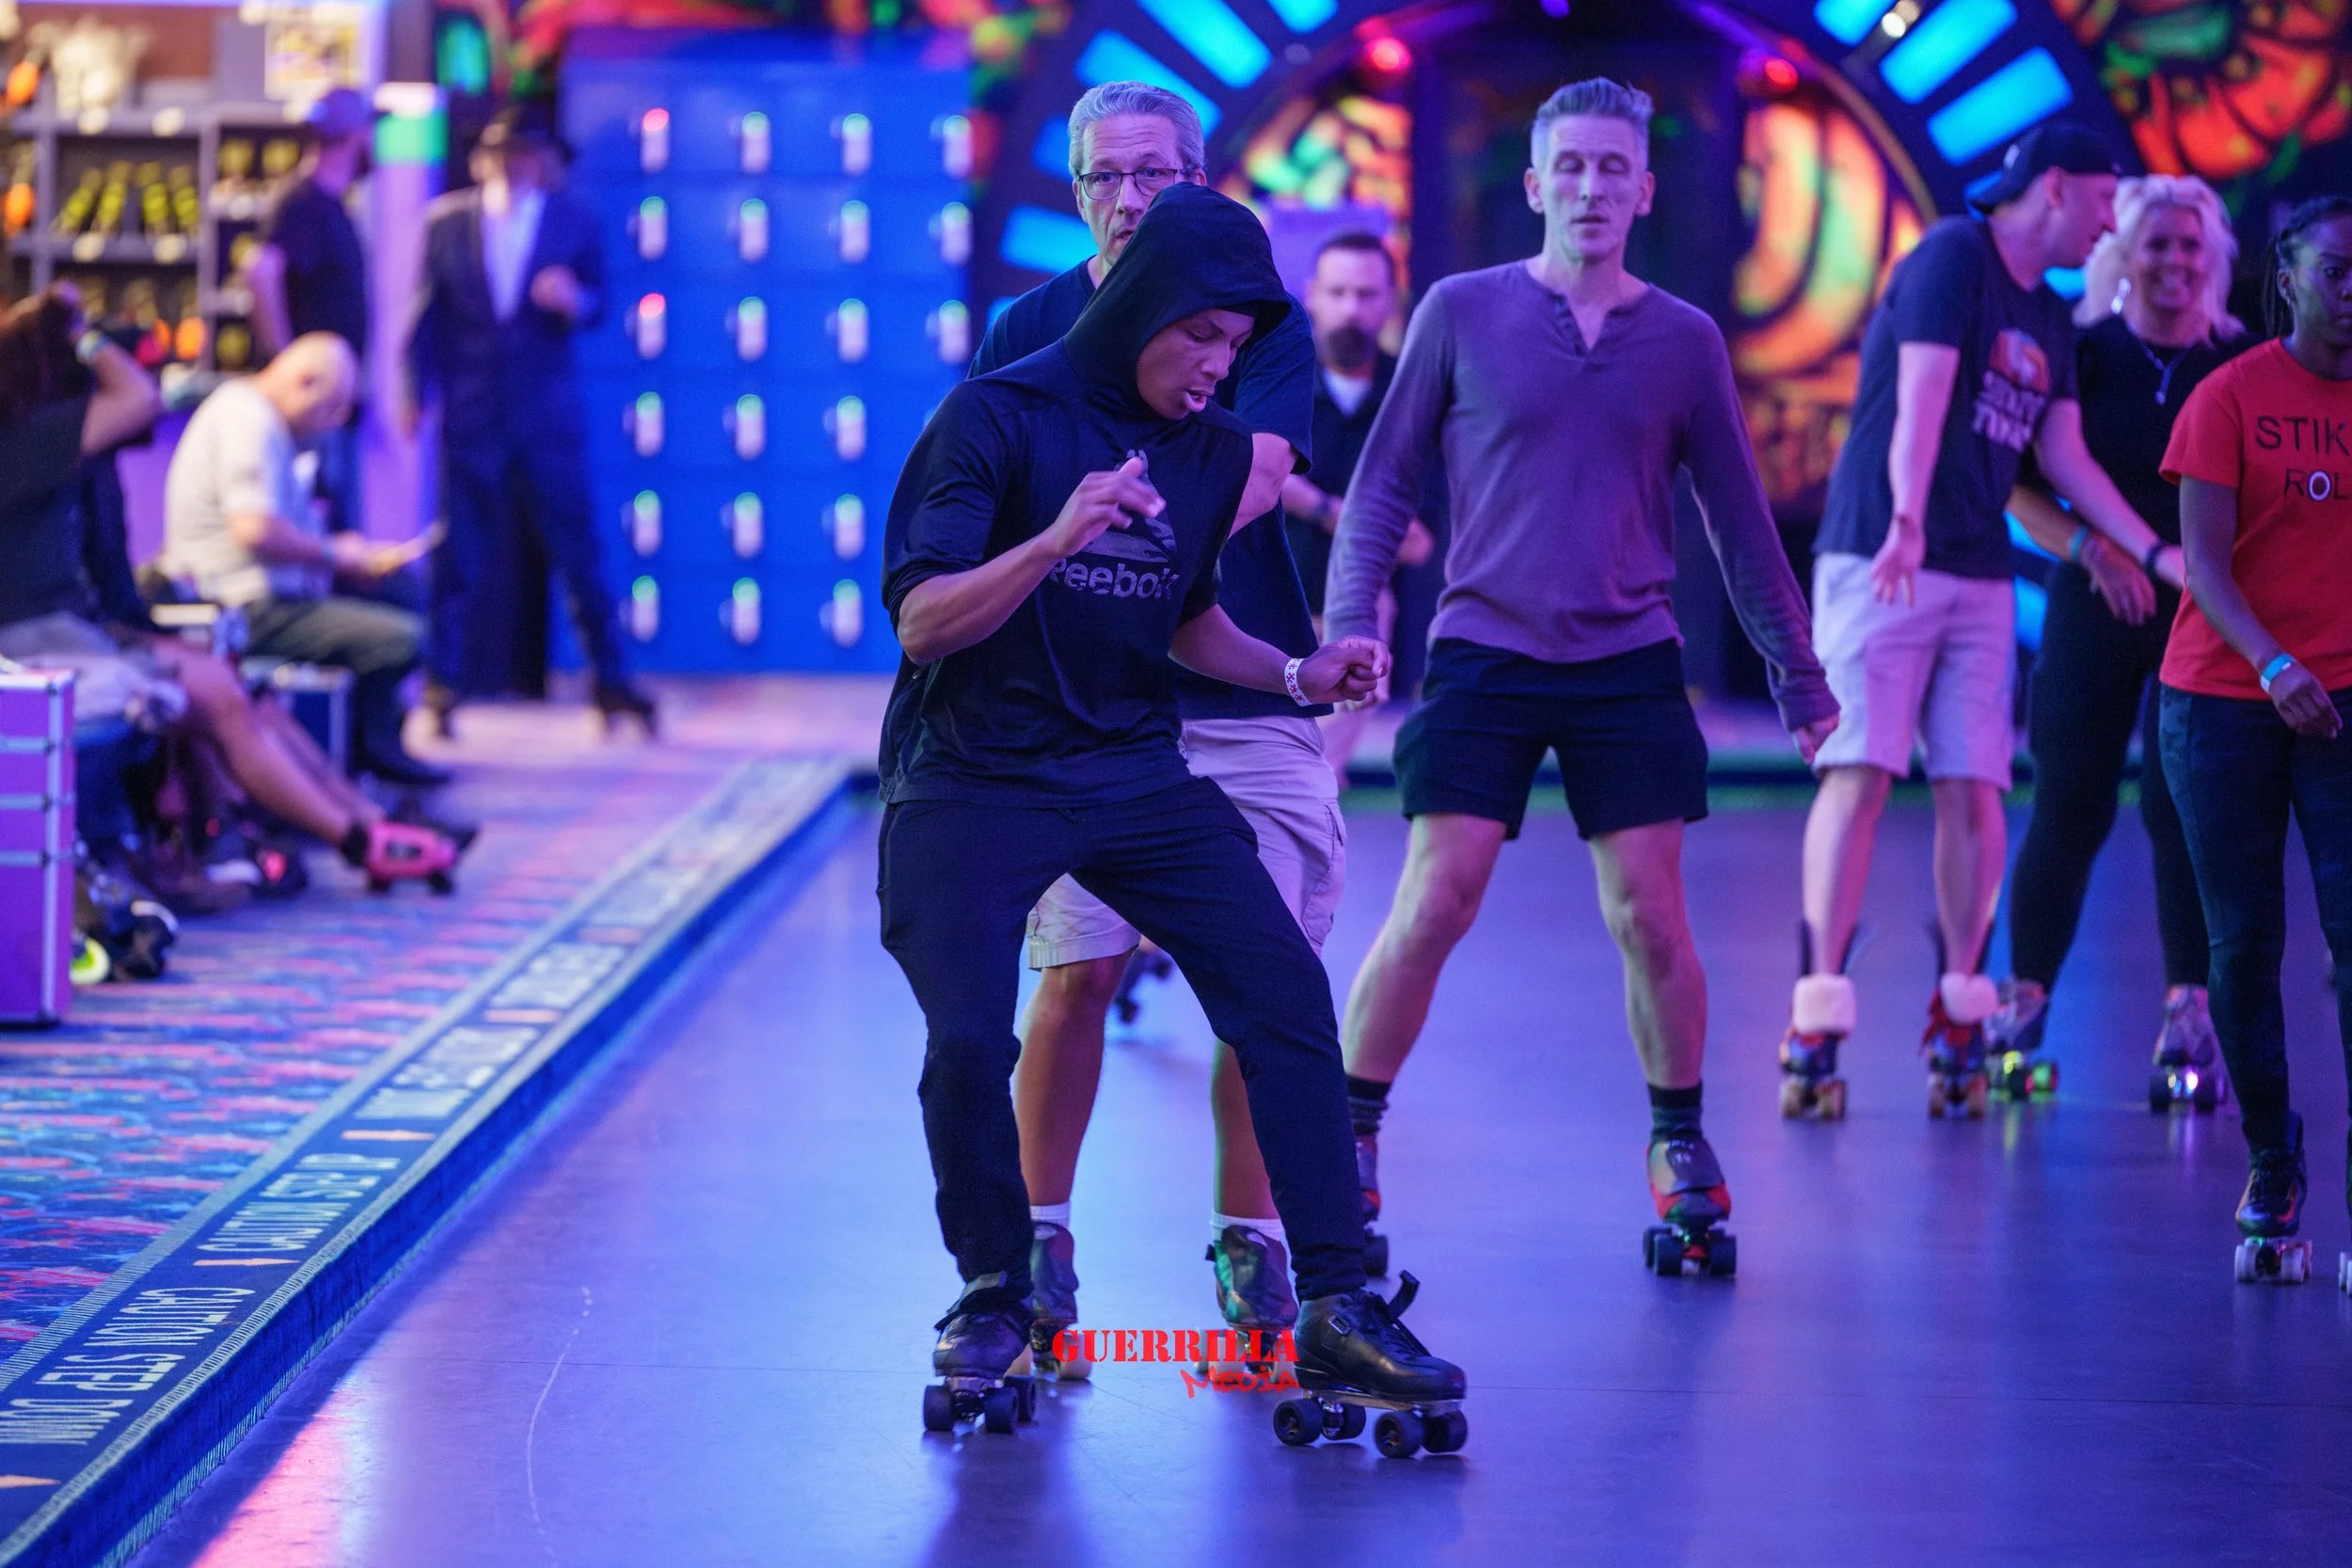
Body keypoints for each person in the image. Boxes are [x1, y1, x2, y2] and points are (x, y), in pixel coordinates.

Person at [881, 182, 1465, 1431]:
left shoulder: (1204, 453)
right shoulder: (995, 416)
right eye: (1202, 335)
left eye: (1238, 347)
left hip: (1131, 768)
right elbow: (925, 619)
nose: (1219, 367)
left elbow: (1189, 615)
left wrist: (1296, 673)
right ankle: (994, 1289)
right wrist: (1054, 534)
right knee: (974, 1037)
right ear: (1145, 302)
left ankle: (1337, 1302)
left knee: (1285, 993)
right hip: (972, 774)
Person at [1326, 79, 1836, 1275]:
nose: (1593, 188)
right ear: (1535, 184)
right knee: (1436, 897)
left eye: (1615, 169)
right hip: (1484, 649)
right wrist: (1352, 626)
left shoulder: (1685, 339)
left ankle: (1678, 1142)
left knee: (1649, 913)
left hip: (1625, 659)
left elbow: (1739, 523)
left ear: (1645, 190)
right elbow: (1382, 489)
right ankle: (1347, 1129)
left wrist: (1801, 683)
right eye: (1573, 168)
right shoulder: (1459, 312)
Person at [969, 82, 1331, 1370]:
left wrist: (1117, 531)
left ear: (1197, 180)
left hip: (1238, 694)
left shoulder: (1260, 311)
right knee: (1077, 968)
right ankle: (1039, 1246)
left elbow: (1265, 474)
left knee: (1268, 980)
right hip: (1083, 707)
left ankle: (1254, 1241)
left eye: (1150, 176)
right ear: (1076, 191)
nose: (1126, 202)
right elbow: (990, 502)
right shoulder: (1028, 326)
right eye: (1101, 179)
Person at [1787, 121, 2171, 1117]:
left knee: (1975, 784)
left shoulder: (2046, 316)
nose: (2107, 224)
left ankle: (1960, 1004)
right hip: (1883, 556)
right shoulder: (1951, 258)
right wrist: (1908, 521)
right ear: (2053, 187)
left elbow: (2068, 460)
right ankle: (1817, 1009)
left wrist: (2157, 553)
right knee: (1861, 770)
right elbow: (1918, 400)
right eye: (2101, 202)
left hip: (1977, 576)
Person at [0, 289, 456, 885]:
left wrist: (153, 636)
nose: (154, 388)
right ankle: (356, 840)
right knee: (224, 695)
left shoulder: (85, 466)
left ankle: (366, 821)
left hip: (86, 630)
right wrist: (79, 333)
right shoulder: (26, 440)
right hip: (37, 638)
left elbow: (112, 584)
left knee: (238, 692)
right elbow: (139, 400)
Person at [1994, 176, 2249, 1106]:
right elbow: (2020, 488)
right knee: (2069, 801)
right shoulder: (2082, 352)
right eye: (2156, 245)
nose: (2174, 262)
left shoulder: (2240, 362)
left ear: (2213, 260)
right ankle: (2021, 1008)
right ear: (2125, 255)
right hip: (2095, 598)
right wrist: (2096, 550)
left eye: (2190, 247)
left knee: (2184, 811)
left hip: (2203, 615)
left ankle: (2188, 1016)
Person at [2157, 195, 2352, 1285]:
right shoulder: (2229, 396)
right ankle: (2273, 1161)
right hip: (2226, 696)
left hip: (2346, 700)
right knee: (2243, 945)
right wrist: (2277, 664)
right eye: (2338, 270)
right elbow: (2206, 565)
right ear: (2286, 276)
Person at [403, 103, 655, 736]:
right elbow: (424, 316)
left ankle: (611, 680)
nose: (514, 166)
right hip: (472, 409)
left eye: (525, 156)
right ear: (483, 160)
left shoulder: (573, 222)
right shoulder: (447, 223)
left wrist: (575, 300)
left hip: (546, 414)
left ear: (545, 165)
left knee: (579, 549)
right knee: (458, 553)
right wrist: (414, 390)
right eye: (503, 154)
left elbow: (602, 304)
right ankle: (442, 687)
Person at [162, 332, 448, 790]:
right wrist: (337, 555)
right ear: (305, 380)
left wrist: (344, 557)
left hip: (269, 594)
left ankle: (373, 747)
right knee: (401, 640)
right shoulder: (247, 421)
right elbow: (254, 530)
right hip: (245, 607)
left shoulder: (257, 417)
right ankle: (367, 757)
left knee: (404, 592)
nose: (331, 423)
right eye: (331, 408)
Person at [1279, 230, 1439, 785]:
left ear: (1392, 302)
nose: (1352, 309)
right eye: (1338, 292)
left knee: (1318, 778)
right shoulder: (1276, 380)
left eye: (1367, 294)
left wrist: (1313, 503)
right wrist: (1346, 515)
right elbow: (1255, 476)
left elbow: (1420, 538)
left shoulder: (1414, 387)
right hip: (1265, 606)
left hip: (1362, 607)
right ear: (1312, 296)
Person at [246, 86, 375, 535]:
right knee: (322, 528)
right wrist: (286, 364)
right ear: (356, 137)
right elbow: (260, 271)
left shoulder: (329, 203)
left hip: (328, 407)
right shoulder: (303, 201)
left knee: (334, 524)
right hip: (311, 411)